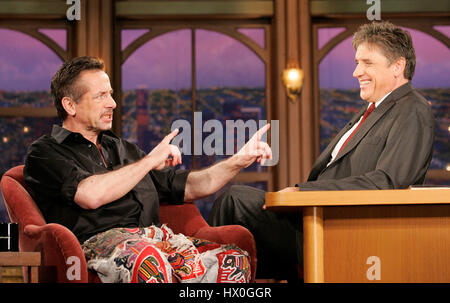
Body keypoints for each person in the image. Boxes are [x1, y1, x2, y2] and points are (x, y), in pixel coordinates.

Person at [208, 21, 436, 281]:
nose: (356, 72)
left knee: (235, 202)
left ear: (398, 66)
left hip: (342, 229)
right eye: (356, 62)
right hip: (314, 219)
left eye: (367, 63)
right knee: (234, 212)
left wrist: (302, 192)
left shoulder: (412, 109)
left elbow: (388, 182)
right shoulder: (370, 111)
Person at [23, 56, 272, 283]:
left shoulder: (124, 150)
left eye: (110, 94)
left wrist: (238, 160)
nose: (112, 103)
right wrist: (149, 161)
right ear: (70, 105)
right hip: (97, 244)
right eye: (100, 96)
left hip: (153, 238)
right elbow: (90, 195)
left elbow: (194, 185)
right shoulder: (45, 152)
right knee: (149, 260)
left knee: (234, 260)